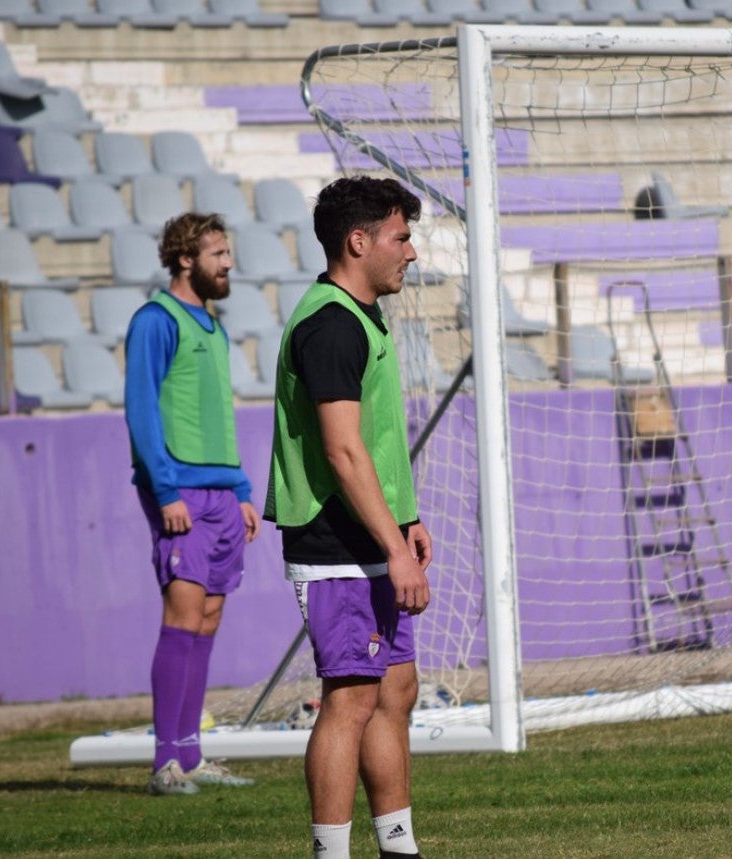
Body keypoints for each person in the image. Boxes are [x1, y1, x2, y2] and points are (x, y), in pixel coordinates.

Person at [264, 176, 432, 859]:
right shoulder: (330, 325)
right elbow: (341, 450)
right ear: (358, 242)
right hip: (336, 542)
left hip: (374, 535)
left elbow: (376, 442)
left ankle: (399, 846)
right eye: (401, 237)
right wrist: (393, 547)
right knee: (352, 698)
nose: (411, 252)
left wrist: (406, 518)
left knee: (395, 690)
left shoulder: (360, 317)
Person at [124, 211, 262, 796]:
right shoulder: (155, 321)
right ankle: (165, 764)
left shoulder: (213, 325)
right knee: (181, 617)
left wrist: (241, 491)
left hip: (222, 494)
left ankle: (191, 755)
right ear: (186, 259)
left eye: (228, 253)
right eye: (218, 254)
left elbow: (217, 416)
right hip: (178, 492)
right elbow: (141, 410)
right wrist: (165, 491)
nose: (229, 263)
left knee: (207, 617)